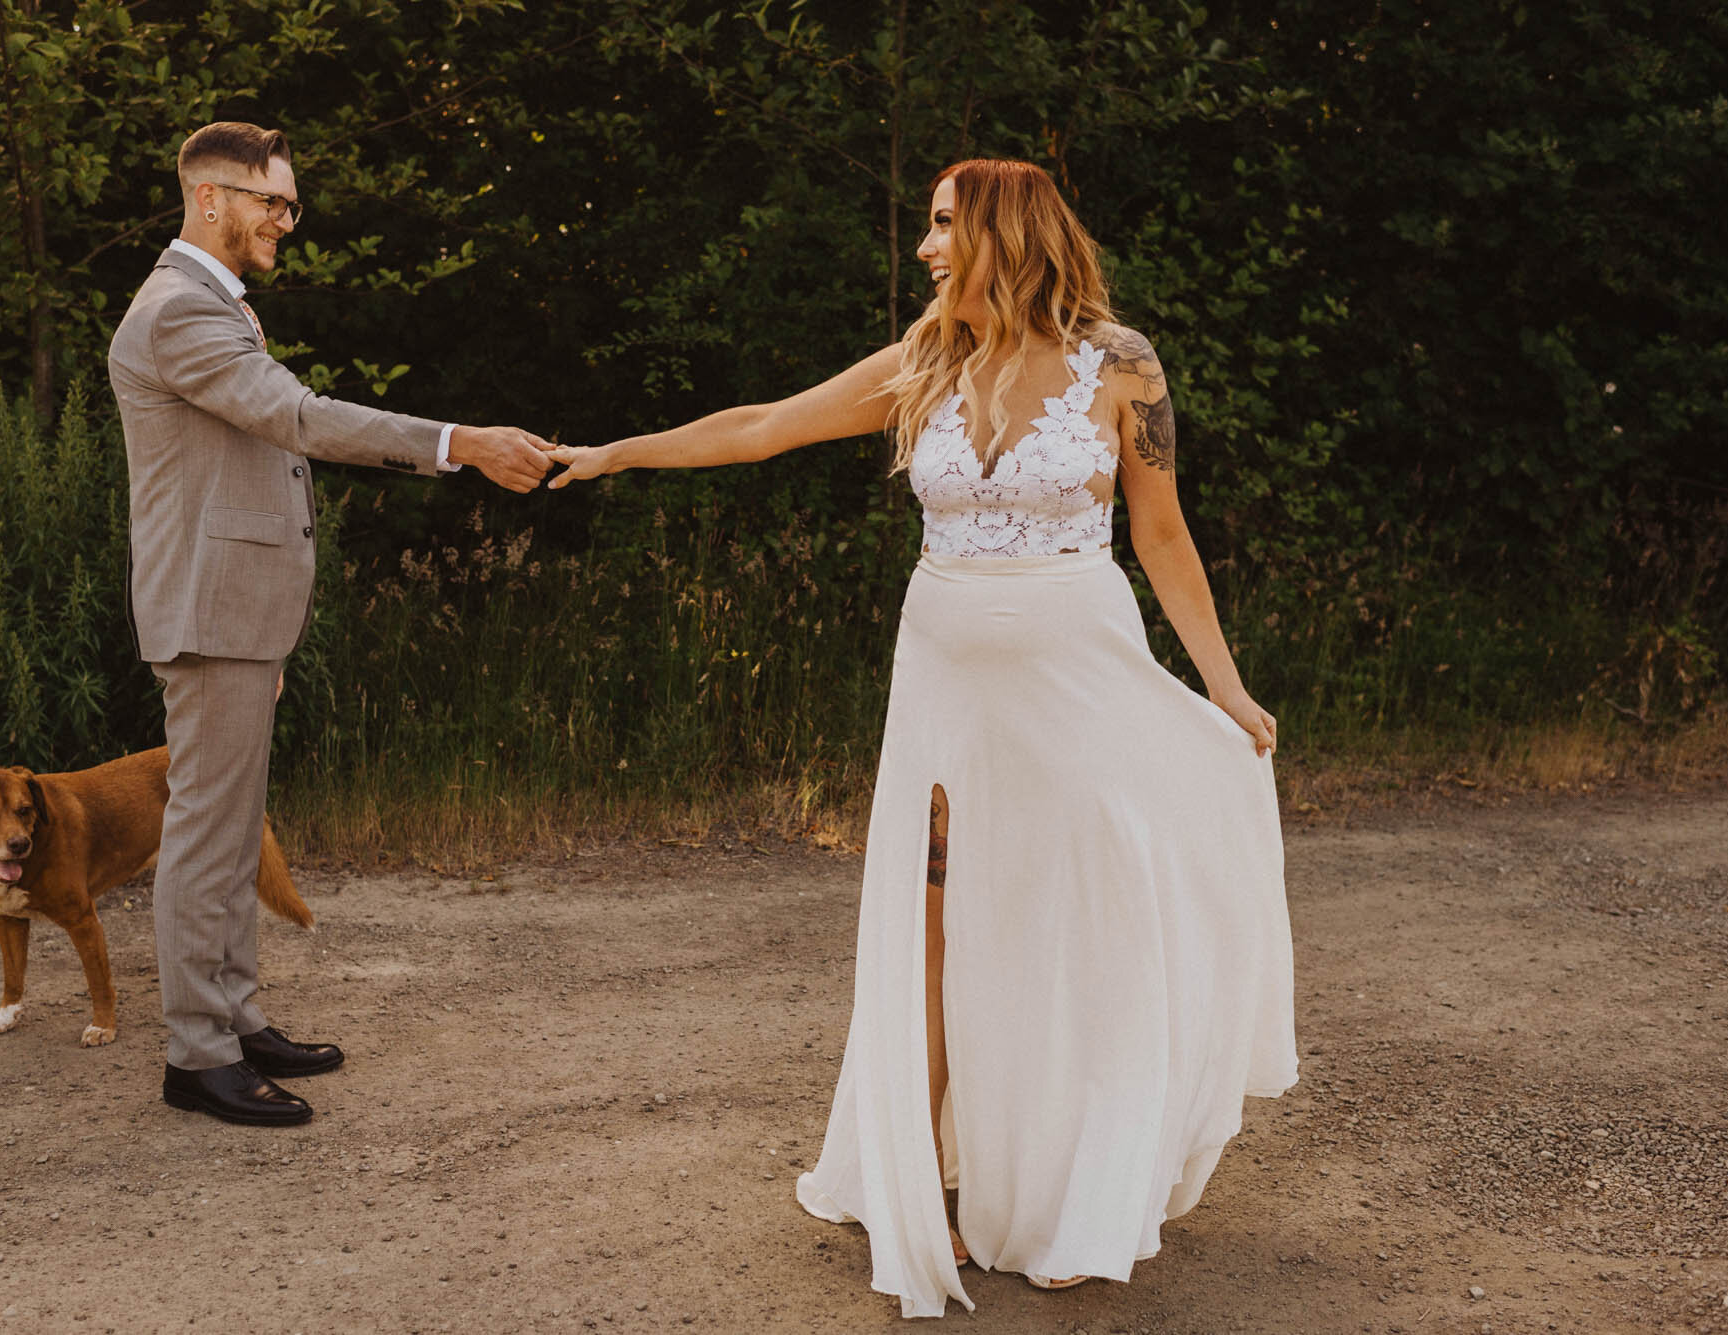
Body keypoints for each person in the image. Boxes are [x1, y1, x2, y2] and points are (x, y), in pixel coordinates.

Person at [548, 159, 1298, 1315]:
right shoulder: (927, 357)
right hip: (943, 678)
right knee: (938, 928)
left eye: (944, 225)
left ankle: (1080, 1197)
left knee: (1078, 923)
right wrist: (613, 454)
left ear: (1003, 231)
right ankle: (931, 1184)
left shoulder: (1121, 363)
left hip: (1080, 678)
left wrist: (1224, 688)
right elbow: (762, 428)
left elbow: (1161, 535)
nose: (926, 246)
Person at [108, 121, 555, 1127]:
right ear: (207, 198)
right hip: (210, 608)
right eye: (269, 201)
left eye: (290, 204)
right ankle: (196, 1055)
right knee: (204, 834)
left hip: (237, 609)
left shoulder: (214, 306)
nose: (284, 221)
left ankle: (233, 1020)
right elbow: (297, 418)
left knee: (227, 833)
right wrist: (459, 444)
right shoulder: (179, 310)